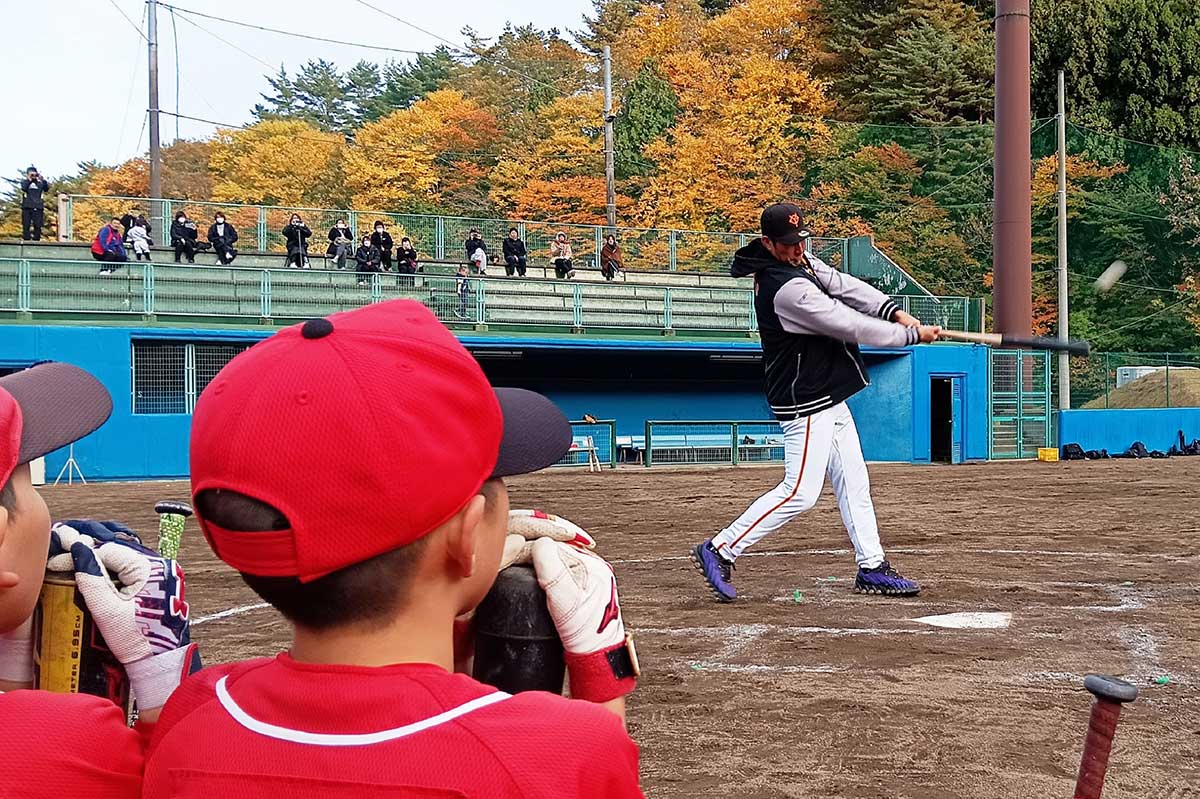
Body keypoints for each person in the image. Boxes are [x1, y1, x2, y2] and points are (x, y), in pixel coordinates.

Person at [142, 300, 643, 798]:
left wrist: (447, 641)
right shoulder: (562, 749)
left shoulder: (192, 713)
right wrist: (603, 675)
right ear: (466, 536)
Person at [691, 203, 939, 603]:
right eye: (789, 244)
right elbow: (847, 322)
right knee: (801, 492)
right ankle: (721, 548)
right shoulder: (786, 289)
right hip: (805, 399)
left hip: (828, 393)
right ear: (767, 243)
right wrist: (909, 337)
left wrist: (896, 313)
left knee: (854, 480)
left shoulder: (800, 262)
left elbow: (842, 284)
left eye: (801, 240)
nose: (798, 249)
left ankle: (872, 566)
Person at [0, 362, 200, 798]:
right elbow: (188, 780)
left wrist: (12, 657)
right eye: (29, 480)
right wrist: (163, 674)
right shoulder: (65, 744)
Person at [19, 166, 49, 241]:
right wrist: (29, 179)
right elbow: (24, 188)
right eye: (31, 174)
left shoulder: (40, 182)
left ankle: (36, 240)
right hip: (27, 207)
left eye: (34, 174)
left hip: (38, 206)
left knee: (38, 225)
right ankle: (26, 239)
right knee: (26, 225)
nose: (33, 176)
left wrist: (42, 179)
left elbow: (46, 189)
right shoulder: (25, 182)